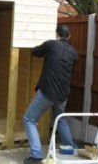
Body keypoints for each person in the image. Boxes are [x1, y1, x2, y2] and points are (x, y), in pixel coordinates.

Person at [23, 25, 78, 164]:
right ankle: (71, 149)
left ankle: (36, 155)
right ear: (69, 36)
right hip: (63, 94)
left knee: (29, 119)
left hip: (47, 92)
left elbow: (34, 52)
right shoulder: (73, 52)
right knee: (60, 119)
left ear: (57, 35)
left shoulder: (51, 45)